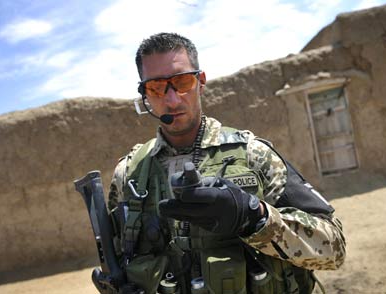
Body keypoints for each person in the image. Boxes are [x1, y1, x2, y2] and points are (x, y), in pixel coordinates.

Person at [107, 32, 346, 294]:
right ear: (144, 95)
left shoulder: (254, 155)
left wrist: (254, 217)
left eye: (183, 82)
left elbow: (333, 249)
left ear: (201, 82)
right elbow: (117, 263)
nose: (172, 99)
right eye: (156, 87)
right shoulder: (128, 174)